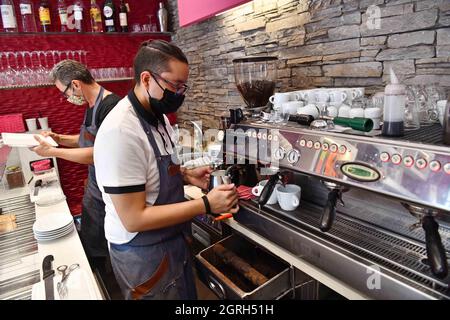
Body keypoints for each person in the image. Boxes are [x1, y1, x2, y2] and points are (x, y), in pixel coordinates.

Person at [94, 40, 239, 300]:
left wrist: (184, 175)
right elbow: (134, 218)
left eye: (184, 86)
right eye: (174, 85)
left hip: (171, 240)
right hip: (142, 252)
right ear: (147, 78)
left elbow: (152, 171)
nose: (180, 94)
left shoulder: (157, 117)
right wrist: (206, 204)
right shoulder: (120, 132)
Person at [31, 60, 121, 284]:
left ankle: (105, 287)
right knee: (91, 237)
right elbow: (86, 141)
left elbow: (98, 154)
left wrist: (53, 151)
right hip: (95, 183)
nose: (66, 98)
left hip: (109, 187)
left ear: (76, 84)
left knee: (102, 242)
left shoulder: (111, 107)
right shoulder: (91, 104)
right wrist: (59, 139)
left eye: (64, 93)